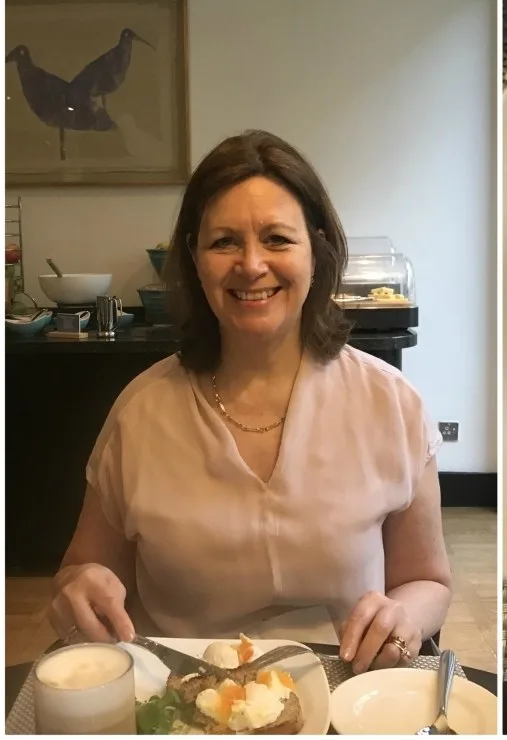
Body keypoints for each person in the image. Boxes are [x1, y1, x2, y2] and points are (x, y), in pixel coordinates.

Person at [46, 130, 452, 673]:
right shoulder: (141, 411)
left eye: (278, 239)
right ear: (195, 258)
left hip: (347, 695)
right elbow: (82, 570)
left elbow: (427, 580)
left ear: (317, 247)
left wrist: (405, 618)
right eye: (224, 242)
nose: (252, 264)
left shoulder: (391, 404)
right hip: (183, 702)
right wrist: (80, 591)